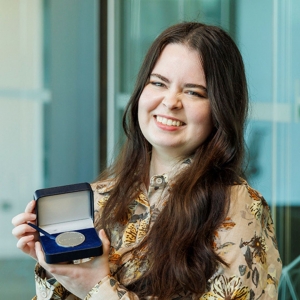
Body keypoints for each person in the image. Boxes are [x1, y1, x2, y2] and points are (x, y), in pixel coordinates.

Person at [12, 22, 282, 300]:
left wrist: (98, 286)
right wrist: (54, 268)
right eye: (158, 83)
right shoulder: (100, 197)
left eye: (193, 92)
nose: (170, 102)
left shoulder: (238, 207)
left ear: (221, 109)